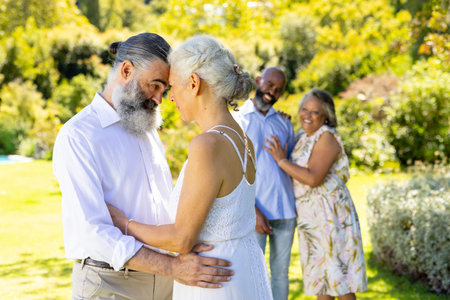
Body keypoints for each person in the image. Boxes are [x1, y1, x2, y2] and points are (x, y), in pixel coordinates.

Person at [52, 33, 234, 300]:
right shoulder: (78, 136)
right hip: (111, 284)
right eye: (155, 85)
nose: (159, 99)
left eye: (165, 89)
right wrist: (173, 267)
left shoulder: (145, 126)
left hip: (168, 280)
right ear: (126, 70)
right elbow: (93, 232)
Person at [107, 35, 273, 300]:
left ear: (194, 83)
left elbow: (181, 239)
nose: (169, 98)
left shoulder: (207, 145)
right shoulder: (242, 138)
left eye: (173, 87)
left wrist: (122, 222)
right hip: (242, 269)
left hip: (213, 280)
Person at [264, 88, 368, 300]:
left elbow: (313, 178)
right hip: (312, 217)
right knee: (320, 279)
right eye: (304, 110)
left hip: (330, 217)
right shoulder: (303, 136)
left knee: (340, 279)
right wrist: (284, 120)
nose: (307, 116)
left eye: (315, 112)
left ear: (326, 116)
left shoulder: (326, 137)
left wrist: (281, 160)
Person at [233, 67, 296, 300]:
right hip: (254, 213)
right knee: (253, 274)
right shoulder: (237, 120)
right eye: (269, 85)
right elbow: (235, 172)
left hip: (286, 212)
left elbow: (289, 164)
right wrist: (254, 211)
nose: (273, 91)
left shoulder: (284, 124)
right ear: (258, 81)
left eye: (278, 89)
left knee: (280, 273)